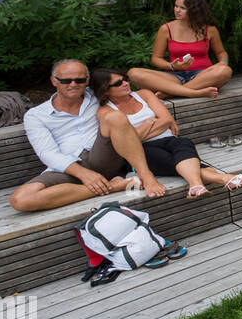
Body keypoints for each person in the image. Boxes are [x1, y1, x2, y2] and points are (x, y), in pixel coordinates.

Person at [11, 59, 167, 212]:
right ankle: (115, 186)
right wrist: (84, 174)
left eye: (79, 80)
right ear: (54, 81)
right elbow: (47, 153)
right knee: (21, 199)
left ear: (87, 80)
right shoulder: (36, 115)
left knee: (115, 117)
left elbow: (131, 91)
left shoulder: (98, 96)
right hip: (69, 166)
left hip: (106, 157)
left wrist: (164, 114)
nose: (73, 84)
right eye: (66, 80)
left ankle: (146, 176)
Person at [91, 69, 242, 197]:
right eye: (119, 83)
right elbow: (130, 142)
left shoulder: (144, 94)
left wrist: (140, 132)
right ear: (105, 91)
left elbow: (166, 119)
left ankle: (196, 186)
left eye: (125, 79)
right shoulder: (106, 111)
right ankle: (222, 178)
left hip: (169, 139)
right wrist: (150, 122)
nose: (126, 83)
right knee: (172, 160)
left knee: (184, 143)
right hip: (142, 150)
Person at [127, 0, 233, 100]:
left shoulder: (209, 29)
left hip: (202, 75)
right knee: (133, 73)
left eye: (182, 8)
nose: (177, 10)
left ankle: (172, 93)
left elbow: (221, 52)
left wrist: (222, 63)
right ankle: (190, 91)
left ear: (194, 10)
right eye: (176, 6)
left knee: (225, 71)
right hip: (174, 76)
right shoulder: (165, 29)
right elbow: (156, 58)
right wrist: (172, 66)